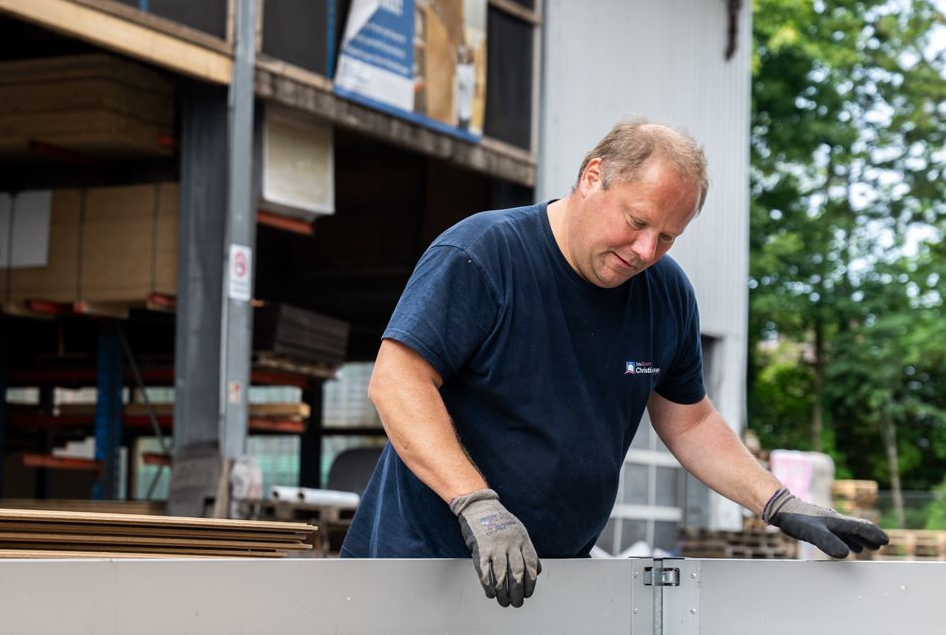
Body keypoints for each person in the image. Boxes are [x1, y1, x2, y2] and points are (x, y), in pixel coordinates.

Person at [339, 116, 888, 607]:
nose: (647, 251)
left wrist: (778, 501)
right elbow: (398, 382)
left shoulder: (665, 294)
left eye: (668, 237)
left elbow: (690, 421)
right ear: (592, 176)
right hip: (417, 569)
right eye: (638, 221)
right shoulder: (484, 255)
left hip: (548, 580)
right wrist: (478, 507)